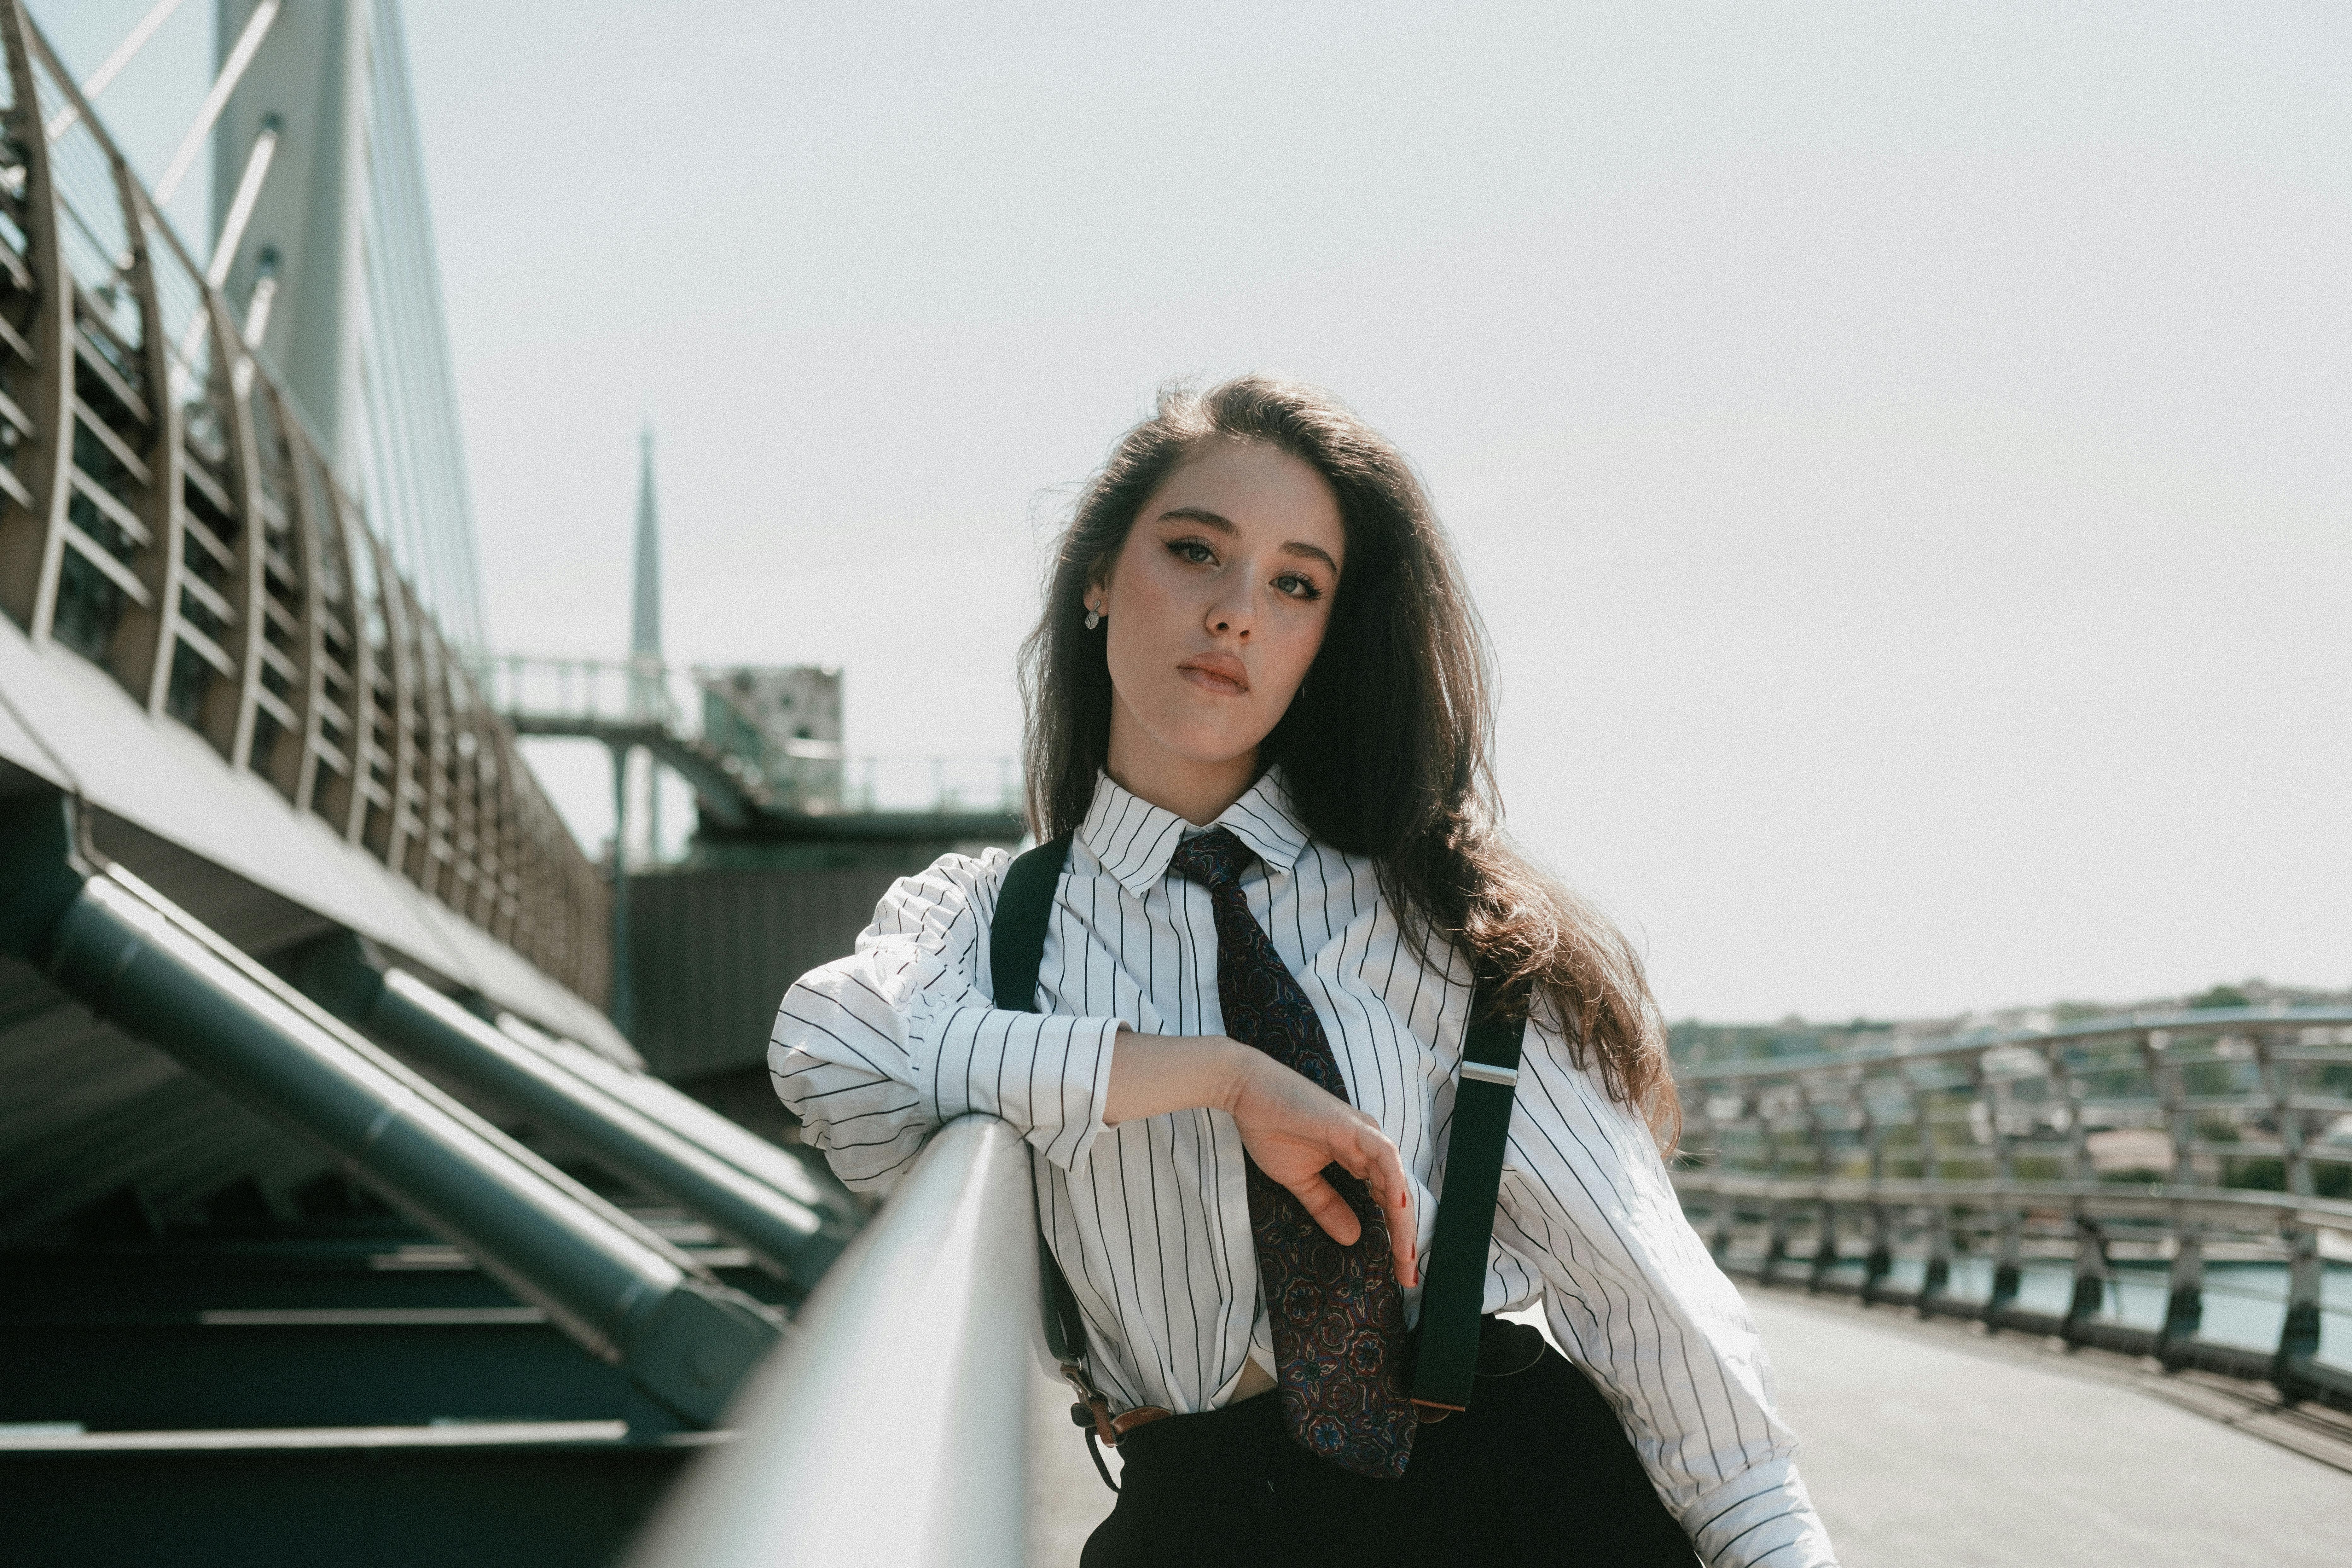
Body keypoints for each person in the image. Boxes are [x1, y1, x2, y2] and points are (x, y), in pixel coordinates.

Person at [770, 376, 1836, 1567]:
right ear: (1098, 580)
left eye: (1295, 585)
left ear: (1329, 637)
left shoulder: (1447, 912)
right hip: (1200, 1518)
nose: (1236, 613)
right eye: (1194, 552)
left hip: (1515, 1502)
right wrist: (1215, 1076)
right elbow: (840, 1063)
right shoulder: (985, 916)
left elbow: (1646, 1305)